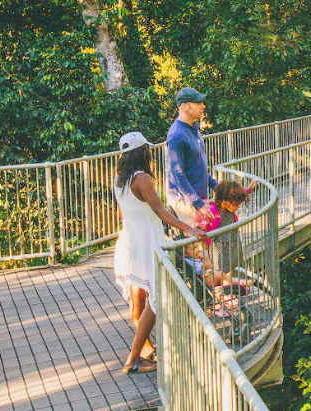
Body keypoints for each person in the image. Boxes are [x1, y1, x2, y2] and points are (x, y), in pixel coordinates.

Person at [114, 131, 206, 374]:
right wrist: (189, 229)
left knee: (139, 299)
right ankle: (133, 358)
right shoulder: (142, 179)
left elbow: (126, 213)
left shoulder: (119, 179)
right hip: (147, 244)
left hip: (130, 243)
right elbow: (160, 211)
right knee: (155, 301)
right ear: (142, 152)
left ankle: (144, 350)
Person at [166, 87, 218, 227]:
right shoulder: (176, 135)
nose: (203, 106)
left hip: (198, 200)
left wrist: (216, 186)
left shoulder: (193, 128)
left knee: (203, 244)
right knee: (192, 246)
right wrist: (198, 204)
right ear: (185, 107)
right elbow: (178, 175)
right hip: (186, 203)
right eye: (198, 103)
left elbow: (197, 166)